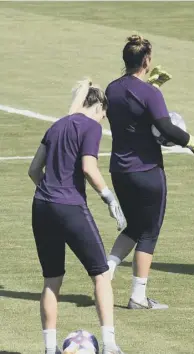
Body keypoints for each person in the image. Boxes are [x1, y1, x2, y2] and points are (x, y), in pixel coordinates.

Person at [104, 35, 194, 309]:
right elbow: (165, 128)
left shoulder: (111, 89)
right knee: (149, 232)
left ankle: (106, 271)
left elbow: (130, 108)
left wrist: (149, 87)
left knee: (134, 226)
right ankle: (138, 296)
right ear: (147, 61)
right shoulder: (150, 94)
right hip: (147, 171)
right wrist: (191, 140)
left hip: (119, 170)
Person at [28, 79, 126, 354]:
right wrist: (110, 198)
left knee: (52, 279)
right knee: (101, 274)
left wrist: (51, 192)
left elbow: (34, 170)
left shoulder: (56, 125)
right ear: (98, 107)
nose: (103, 121)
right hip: (70, 206)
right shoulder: (91, 126)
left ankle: (50, 349)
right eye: (104, 115)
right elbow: (88, 167)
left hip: (42, 205)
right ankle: (109, 345)